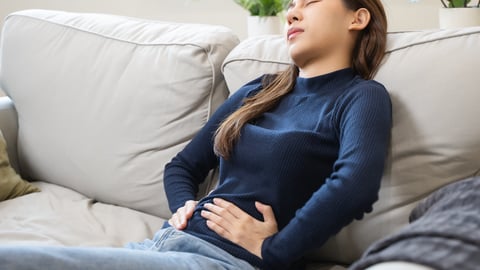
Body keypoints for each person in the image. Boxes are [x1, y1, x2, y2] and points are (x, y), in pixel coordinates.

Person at [0, 0, 391, 269]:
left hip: (223, 261)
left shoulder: (361, 96)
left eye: (311, 2)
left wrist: (275, 250)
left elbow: (355, 183)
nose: (292, 13)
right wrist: (183, 206)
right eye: (291, 5)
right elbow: (183, 166)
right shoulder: (260, 89)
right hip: (162, 244)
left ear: (357, 18)